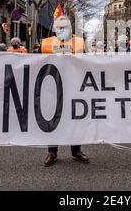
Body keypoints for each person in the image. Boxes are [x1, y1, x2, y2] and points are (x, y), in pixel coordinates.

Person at [40, 15, 89, 166]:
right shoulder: (45, 44)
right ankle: (52, 152)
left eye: (65, 27)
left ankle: (76, 151)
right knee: (53, 121)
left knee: (74, 119)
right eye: (59, 28)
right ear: (55, 29)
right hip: (53, 88)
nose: (62, 30)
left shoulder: (80, 42)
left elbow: (89, 63)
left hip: (74, 87)